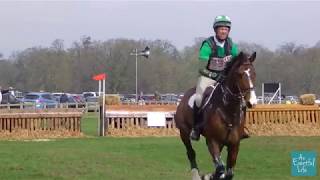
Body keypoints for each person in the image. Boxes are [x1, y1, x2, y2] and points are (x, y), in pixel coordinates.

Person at [190, 15, 239, 141]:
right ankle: (196, 128)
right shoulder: (208, 45)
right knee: (199, 98)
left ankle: (240, 127)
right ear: (216, 30)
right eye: (221, 28)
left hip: (225, 79)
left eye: (226, 29)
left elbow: (237, 64)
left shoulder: (231, 45)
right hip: (208, 76)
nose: (223, 31)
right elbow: (201, 68)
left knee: (240, 98)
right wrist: (215, 75)